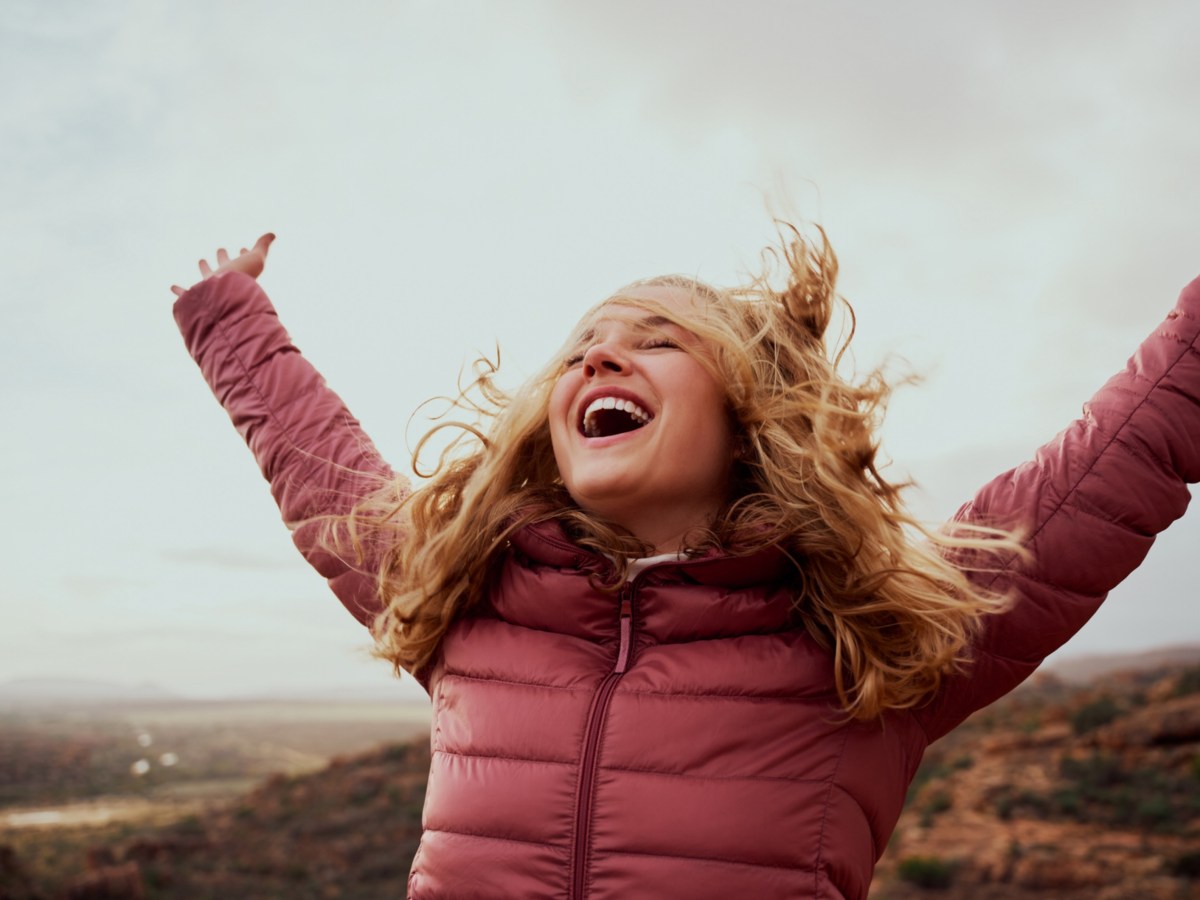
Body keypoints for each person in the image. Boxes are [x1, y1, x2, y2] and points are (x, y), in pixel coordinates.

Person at [171, 230, 1200, 899]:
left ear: (753, 413)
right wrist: (229, 316)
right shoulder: (468, 596)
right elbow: (322, 477)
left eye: (659, 342)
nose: (599, 358)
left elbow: (1099, 477)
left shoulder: (868, 643)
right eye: (583, 345)